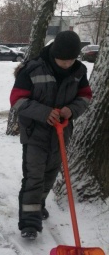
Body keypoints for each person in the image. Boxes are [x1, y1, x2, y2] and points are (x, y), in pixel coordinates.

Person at [10, 31, 92, 240]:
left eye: (70, 60)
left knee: (49, 175)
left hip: (61, 134)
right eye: (62, 60)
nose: (66, 65)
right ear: (54, 53)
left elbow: (85, 96)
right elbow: (17, 100)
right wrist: (44, 113)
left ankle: (38, 205)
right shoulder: (32, 69)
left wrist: (71, 110)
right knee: (34, 177)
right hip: (35, 134)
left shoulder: (79, 71)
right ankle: (29, 222)